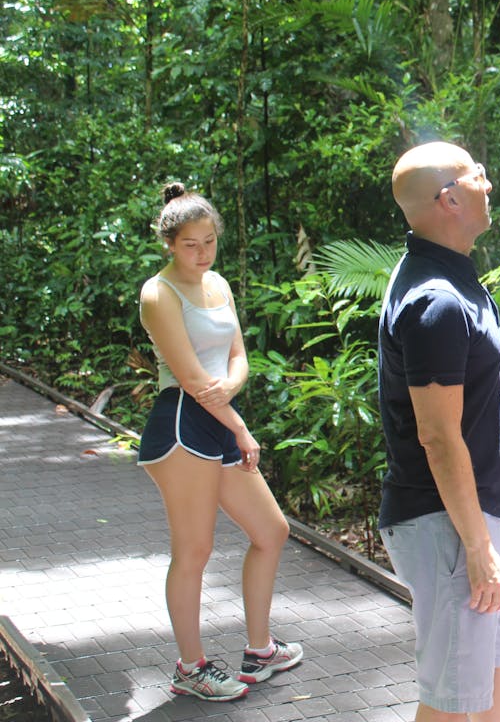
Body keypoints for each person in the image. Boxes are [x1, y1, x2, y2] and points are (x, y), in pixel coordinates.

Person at [378, 142, 500, 720]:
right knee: (450, 703)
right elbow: (438, 437)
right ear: (448, 199)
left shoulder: (451, 277)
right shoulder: (437, 300)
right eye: (478, 175)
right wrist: (476, 549)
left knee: (498, 675)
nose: (488, 184)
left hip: (473, 520)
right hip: (448, 525)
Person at [138, 183, 302, 701]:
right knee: (194, 550)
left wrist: (232, 388)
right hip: (184, 424)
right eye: (191, 244)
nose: (202, 252)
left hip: (220, 416)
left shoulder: (220, 285)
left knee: (271, 531)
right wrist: (241, 426)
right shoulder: (158, 294)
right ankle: (191, 667)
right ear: (169, 242)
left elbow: (237, 357)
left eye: (209, 241)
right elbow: (190, 379)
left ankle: (260, 650)